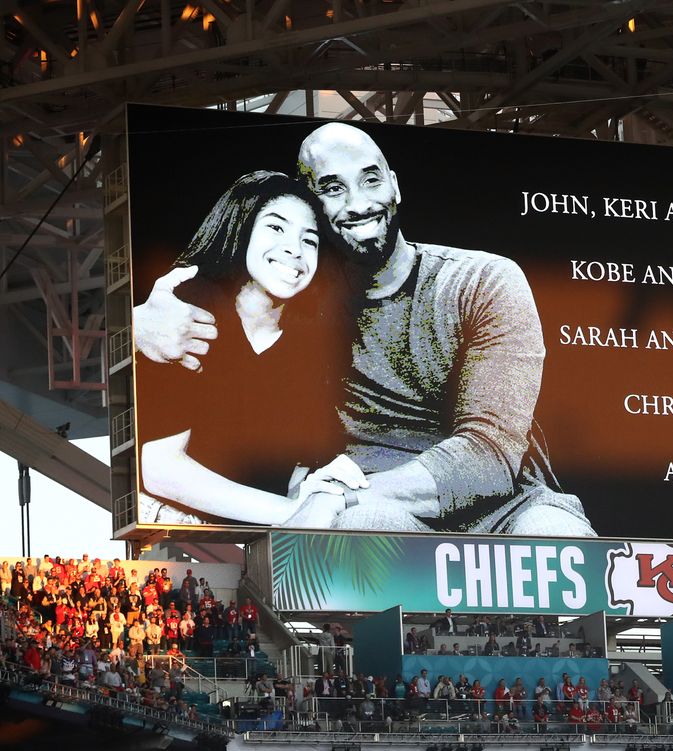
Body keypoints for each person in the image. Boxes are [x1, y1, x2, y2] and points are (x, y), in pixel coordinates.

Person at [134, 123, 593, 536]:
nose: (358, 203)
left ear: (395, 185)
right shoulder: (302, 304)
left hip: (505, 504)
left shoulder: (481, 280)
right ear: (315, 205)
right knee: (367, 530)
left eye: (370, 179)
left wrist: (327, 501)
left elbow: (488, 454)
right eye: (333, 189)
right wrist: (137, 324)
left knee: (559, 538)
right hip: (370, 509)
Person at [136, 170, 367, 525]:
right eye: (276, 228)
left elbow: (288, 466)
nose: (294, 249)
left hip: (257, 541)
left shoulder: (312, 344)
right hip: (179, 531)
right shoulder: (191, 310)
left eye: (310, 240)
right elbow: (161, 469)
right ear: (242, 230)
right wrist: (292, 513)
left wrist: (312, 489)